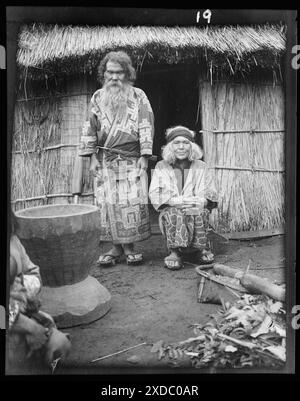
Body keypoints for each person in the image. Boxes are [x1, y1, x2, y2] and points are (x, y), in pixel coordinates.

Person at [79, 51, 154, 266]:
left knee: (130, 201)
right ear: (104, 73)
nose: (114, 77)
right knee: (107, 203)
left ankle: (130, 247)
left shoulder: (139, 95)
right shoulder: (96, 97)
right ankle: (116, 248)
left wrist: (145, 156)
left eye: (119, 73)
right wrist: (92, 157)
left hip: (131, 158)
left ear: (127, 73)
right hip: (104, 160)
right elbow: (89, 128)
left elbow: (146, 124)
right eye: (110, 72)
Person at [8, 211, 71, 372]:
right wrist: (28, 327)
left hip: (23, 310)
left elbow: (33, 273)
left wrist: (23, 289)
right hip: (11, 323)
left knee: (59, 345)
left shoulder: (13, 241)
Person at [149, 126, 218, 270]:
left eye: (186, 143)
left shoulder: (201, 166)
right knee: (175, 213)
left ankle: (201, 249)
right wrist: (175, 201)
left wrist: (201, 201)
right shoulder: (161, 166)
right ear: (170, 147)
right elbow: (155, 193)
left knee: (200, 211)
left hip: (195, 206)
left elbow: (211, 191)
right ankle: (174, 252)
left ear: (192, 146)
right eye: (176, 143)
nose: (181, 147)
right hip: (173, 209)